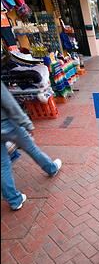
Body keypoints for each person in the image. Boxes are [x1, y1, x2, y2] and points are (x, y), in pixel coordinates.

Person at [1, 81, 62, 210]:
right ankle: (51, 168)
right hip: (8, 124)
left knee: (2, 166)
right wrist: (26, 123)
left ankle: (14, 200)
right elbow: (10, 104)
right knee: (31, 148)